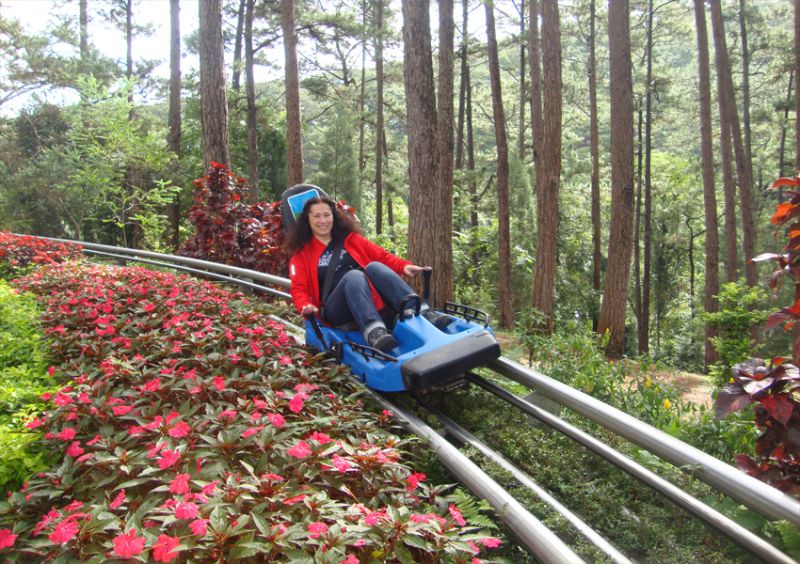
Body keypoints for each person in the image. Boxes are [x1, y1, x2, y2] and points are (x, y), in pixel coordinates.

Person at [285, 195, 452, 353]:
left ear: (334, 217)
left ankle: (420, 311)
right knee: (354, 276)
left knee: (374, 266)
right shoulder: (302, 255)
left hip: (366, 298)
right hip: (336, 309)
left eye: (327, 215)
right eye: (317, 216)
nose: (323, 221)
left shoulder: (351, 240)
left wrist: (404, 267)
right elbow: (299, 288)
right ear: (307, 219)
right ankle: (373, 331)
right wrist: (305, 305)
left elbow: (382, 256)